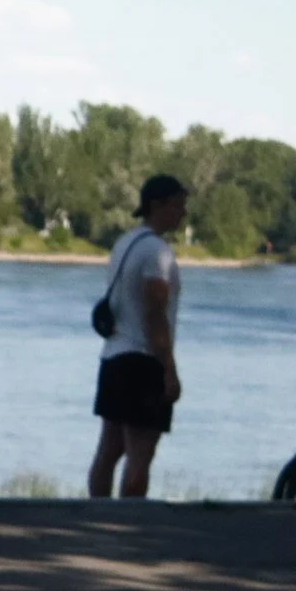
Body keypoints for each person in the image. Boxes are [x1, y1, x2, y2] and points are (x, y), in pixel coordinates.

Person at [88, 174, 188, 498]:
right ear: (157, 205)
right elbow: (155, 315)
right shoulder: (157, 253)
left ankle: (96, 514)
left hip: (113, 357)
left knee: (109, 449)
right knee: (140, 454)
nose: (181, 214)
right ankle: (129, 522)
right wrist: (169, 371)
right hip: (143, 362)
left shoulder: (124, 243)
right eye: (177, 206)